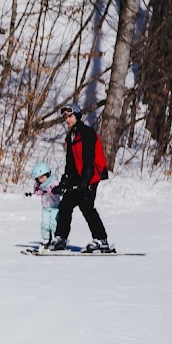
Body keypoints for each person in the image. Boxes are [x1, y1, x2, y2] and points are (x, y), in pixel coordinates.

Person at [50, 102, 113, 252]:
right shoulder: (71, 136)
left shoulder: (87, 134)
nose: (67, 119)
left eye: (70, 116)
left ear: (77, 116)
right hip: (79, 177)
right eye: (66, 117)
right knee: (65, 205)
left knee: (87, 206)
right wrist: (64, 182)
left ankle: (101, 240)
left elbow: (89, 160)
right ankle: (61, 238)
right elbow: (70, 164)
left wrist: (85, 182)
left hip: (92, 175)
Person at [26, 161, 62, 249]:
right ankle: (46, 239)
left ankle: (57, 240)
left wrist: (54, 190)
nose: (41, 180)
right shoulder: (40, 185)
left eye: (42, 177)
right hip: (46, 208)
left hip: (55, 207)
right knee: (45, 224)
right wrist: (38, 191)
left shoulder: (54, 182)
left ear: (47, 174)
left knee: (54, 223)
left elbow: (59, 191)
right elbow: (37, 192)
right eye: (39, 178)